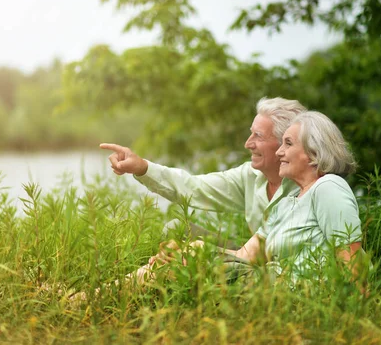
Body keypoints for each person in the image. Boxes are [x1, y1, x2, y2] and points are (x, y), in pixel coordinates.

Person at [73, 110, 365, 303]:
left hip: (296, 293)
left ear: (313, 154)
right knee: (182, 253)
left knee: (192, 253)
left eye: (287, 144)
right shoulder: (288, 202)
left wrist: (353, 315)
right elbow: (246, 256)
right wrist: (184, 254)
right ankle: (88, 299)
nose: (279, 152)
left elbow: (352, 263)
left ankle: (87, 300)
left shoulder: (329, 189)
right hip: (267, 284)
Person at [100, 97, 307, 246]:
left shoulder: (311, 184)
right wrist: (142, 167)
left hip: (280, 273)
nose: (247, 144)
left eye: (258, 136)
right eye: (249, 134)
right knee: (176, 228)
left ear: (286, 142)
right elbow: (194, 188)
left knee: (195, 252)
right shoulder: (250, 176)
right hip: (251, 259)